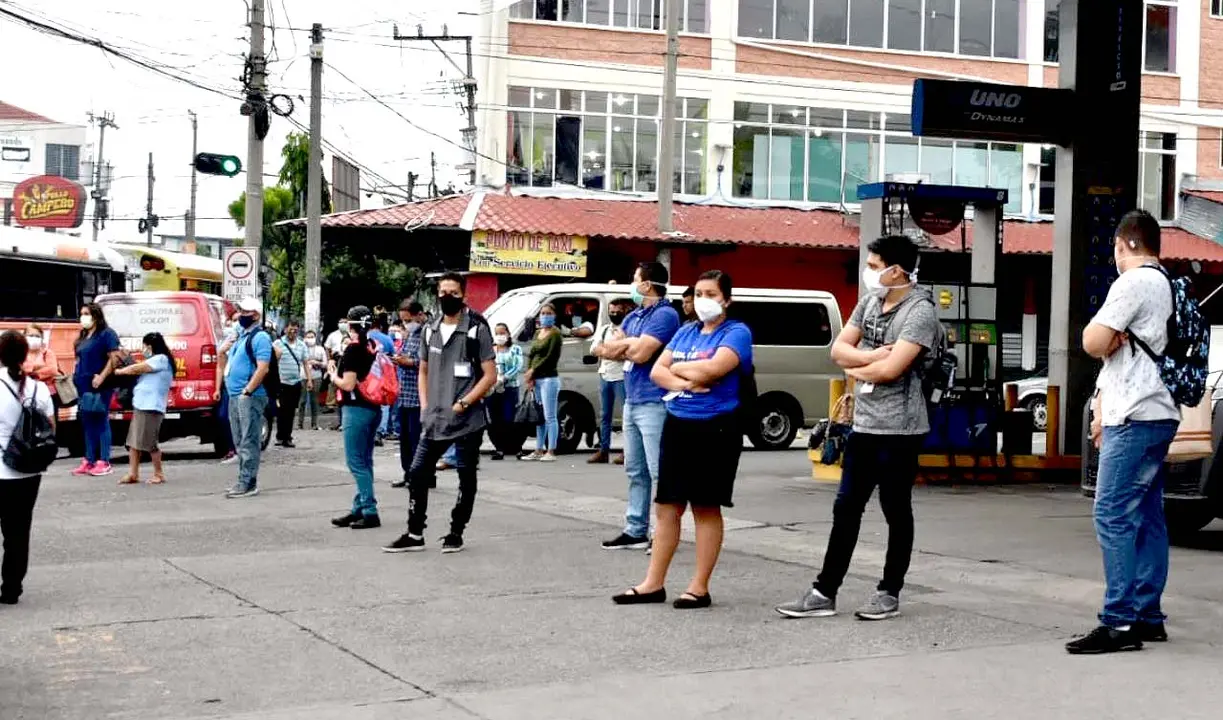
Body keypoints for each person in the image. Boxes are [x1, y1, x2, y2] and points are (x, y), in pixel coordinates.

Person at [775, 234, 940, 622]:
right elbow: (838, 349)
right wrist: (864, 359)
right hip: (864, 424)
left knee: (895, 508)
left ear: (897, 270)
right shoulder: (870, 302)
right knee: (846, 506)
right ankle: (824, 592)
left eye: (875, 265)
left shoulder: (920, 312)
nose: (869, 272)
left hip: (901, 427)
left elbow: (891, 369)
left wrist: (858, 364)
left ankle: (888, 592)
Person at [1065, 210, 1182, 654]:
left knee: (1111, 513)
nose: (1113, 257)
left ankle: (1120, 622)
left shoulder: (1133, 283)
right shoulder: (1167, 282)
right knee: (1148, 515)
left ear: (1125, 245)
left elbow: (1092, 342)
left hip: (1134, 415)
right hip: (1157, 411)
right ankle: (1148, 615)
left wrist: (1104, 337)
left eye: (1115, 249)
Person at [614, 270, 752, 609]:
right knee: (666, 506)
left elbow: (714, 370)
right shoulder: (686, 331)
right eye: (699, 293)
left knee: (705, 506)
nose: (703, 300)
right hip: (678, 422)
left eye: (711, 293)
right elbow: (658, 371)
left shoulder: (736, 332)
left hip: (717, 426)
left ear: (727, 299)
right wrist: (684, 382)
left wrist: (681, 373)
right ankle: (652, 583)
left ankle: (699, 587)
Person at [383, 272, 496, 554]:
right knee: (418, 472)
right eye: (443, 292)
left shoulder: (476, 330)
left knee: (466, 475)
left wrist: (465, 402)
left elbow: (490, 375)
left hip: (467, 418)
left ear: (463, 295)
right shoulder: (430, 329)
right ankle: (414, 532)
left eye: (453, 293)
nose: (447, 297)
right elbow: (423, 369)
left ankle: (456, 531)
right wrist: (424, 405)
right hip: (434, 417)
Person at [596, 262, 681, 550]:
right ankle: (635, 529)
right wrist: (626, 345)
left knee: (659, 471)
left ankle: (664, 533)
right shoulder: (635, 316)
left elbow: (641, 354)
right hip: (632, 399)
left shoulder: (666, 314)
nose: (631, 284)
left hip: (654, 400)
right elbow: (609, 350)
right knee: (635, 469)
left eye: (635, 279)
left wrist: (626, 345)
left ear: (647, 284)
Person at [0, 331, 54, 605]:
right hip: (27, 471)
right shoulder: (38, 389)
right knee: (18, 532)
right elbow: (50, 428)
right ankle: (11, 588)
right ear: (25, 356)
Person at [329, 306, 383, 530]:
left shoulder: (353, 350)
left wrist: (333, 375)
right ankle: (358, 508)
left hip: (356, 408)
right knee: (365, 460)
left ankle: (370, 510)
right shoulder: (371, 346)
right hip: (373, 407)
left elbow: (348, 384)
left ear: (350, 325)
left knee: (355, 462)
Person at [215, 297, 272, 499]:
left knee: (249, 439)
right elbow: (222, 357)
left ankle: (247, 482)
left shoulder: (260, 337)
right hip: (235, 394)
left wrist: (248, 390)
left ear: (256, 315)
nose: (241, 314)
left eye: (245, 311)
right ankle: (244, 479)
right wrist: (223, 349)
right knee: (239, 440)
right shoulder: (240, 336)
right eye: (240, 310)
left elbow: (263, 367)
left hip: (250, 396)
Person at [113, 332, 174, 485]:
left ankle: (158, 473)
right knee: (133, 441)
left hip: (151, 407)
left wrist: (120, 371)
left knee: (149, 442)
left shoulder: (161, 359)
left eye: (145, 346)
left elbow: (138, 368)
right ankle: (133, 473)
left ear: (151, 346)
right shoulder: (155, 360)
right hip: (141, 405)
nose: (143, 349)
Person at [72, 302, 122, 477]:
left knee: (101, 419)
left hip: (100, 385)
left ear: (95, 315)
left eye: (86, 313)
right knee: (87, 421)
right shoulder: (84, 336)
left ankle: (104, 460)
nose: (83, 317)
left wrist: (101, 376)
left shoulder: (106, 334)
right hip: (83, 385)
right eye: (81, 313)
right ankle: (89, 459)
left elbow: (114, 358)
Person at [589, 299, 631, 464]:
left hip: (621, 376)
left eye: (617, 311)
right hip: (605, 374)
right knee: (604, 415)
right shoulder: (605, 329)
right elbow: (594, 349)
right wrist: (613, 352)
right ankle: (603, 450)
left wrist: (607, 351)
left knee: (626, 416)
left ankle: (626, 451)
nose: (614, 314)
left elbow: (627, 352)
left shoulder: (628, 330)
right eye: (611, 311)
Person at [392, 301, 427, 489]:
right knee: (404, 440)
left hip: (418, 397)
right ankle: (408, 474)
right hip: (404, 395)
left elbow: (428, 363)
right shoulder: (409, 335)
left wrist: (410, 362)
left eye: (408, 319)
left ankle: (421, 476)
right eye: (403, 320)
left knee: (417, 441)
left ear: (419, 315)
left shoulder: (427, 335)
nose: (406, 323)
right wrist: (398, 360)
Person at [522, 304, 564, 462]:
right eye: (543, 313)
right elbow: (532, 354)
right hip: (537, 378)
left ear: (554, 315)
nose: (545, 316)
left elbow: (551, 357)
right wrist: (530, 373)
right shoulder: (539, 333)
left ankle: (551, 450)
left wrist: (534, 370)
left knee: (550, 415)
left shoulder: (555, 334)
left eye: (549, 313)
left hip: (549, 379)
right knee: (539, 417)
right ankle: (538, 449)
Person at [489, 322, 525, 460]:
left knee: (510, 418)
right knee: (496, 420)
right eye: (497, 333)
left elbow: (517, 366)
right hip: (493, 389)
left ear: (508, 334)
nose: (500, 336)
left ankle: (517, 448)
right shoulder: (492, 350)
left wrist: (504, 378)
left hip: (510, 387)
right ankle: (499, 448)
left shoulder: (515, 349)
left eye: (502, 333)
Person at [273, 320, 309, 448]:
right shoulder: (278, 343)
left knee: (291, 411)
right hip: (282, 382)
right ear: (285, 330)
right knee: (281, 410)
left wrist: (309, 379)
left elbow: (305, 363)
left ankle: (288, 437)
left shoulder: (302, 345)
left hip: (296, 383)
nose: (293, 332)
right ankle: (279, 436)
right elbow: (273, 362)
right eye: (290, 329)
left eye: (295, 329)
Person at [21, 324, 60, 402]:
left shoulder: (47, 353)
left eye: (37, 336)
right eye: (31, 335)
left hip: (49, 394)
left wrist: (32, 372)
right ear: (24, 337)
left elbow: (52, 370)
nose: (34, 338)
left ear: (42, 339)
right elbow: (19, 369)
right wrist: (39, 366)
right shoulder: (20, 353)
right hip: (25, 395)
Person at [300, 329, 327, 431]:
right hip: (303, 376)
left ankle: (314, 424)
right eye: (308, 337)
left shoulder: (320, 349)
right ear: (304, 338)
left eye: (312, 337)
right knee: (302, 400)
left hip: (316, 376)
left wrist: (317, 362)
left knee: (314, 401)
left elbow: (325, 363)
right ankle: (300, 424)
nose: (310, 339)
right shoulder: (301, 348)